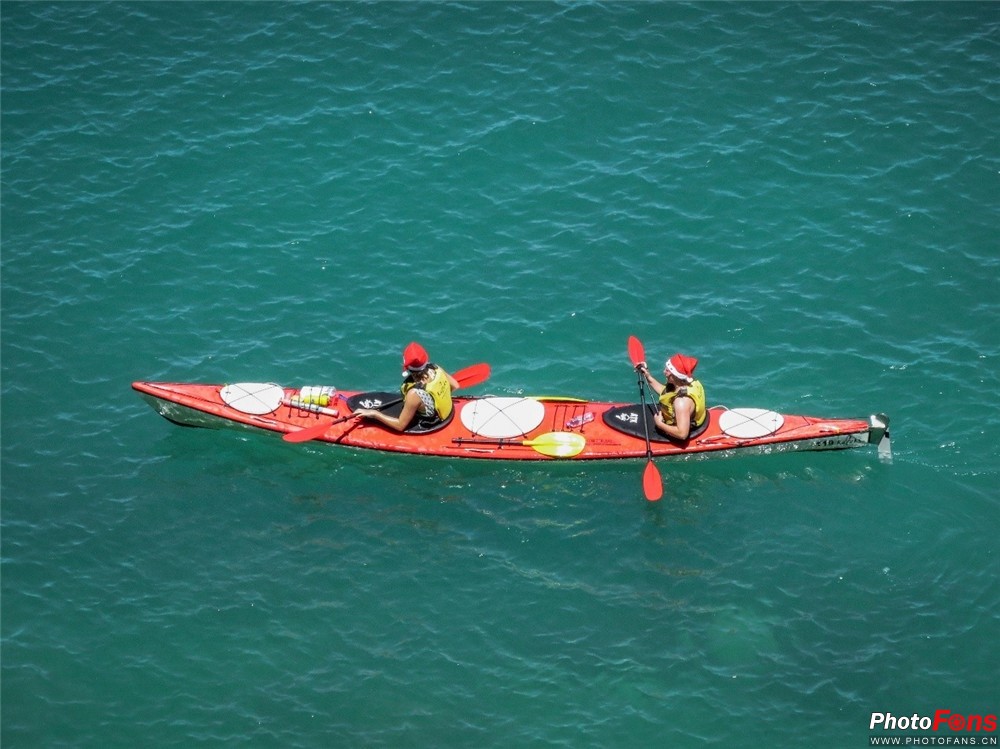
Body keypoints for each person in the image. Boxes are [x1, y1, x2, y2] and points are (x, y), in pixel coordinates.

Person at [355, 342, 459, 432]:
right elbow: (455, 385)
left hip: (432, 423)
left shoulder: (415, 393)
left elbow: (400, 426)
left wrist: (374, 414)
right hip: (447, 414)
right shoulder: (436, 368)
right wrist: (439, 396)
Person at [634, 353, 707, 441]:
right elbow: (666, 394)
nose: (664, 372)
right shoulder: (688, 382)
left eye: (668, 371)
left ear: (676, 376)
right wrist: (648, 376)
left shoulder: (681, 402)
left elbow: (682, 434)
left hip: (682, 429)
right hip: (685, 416)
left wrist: (659, 424)